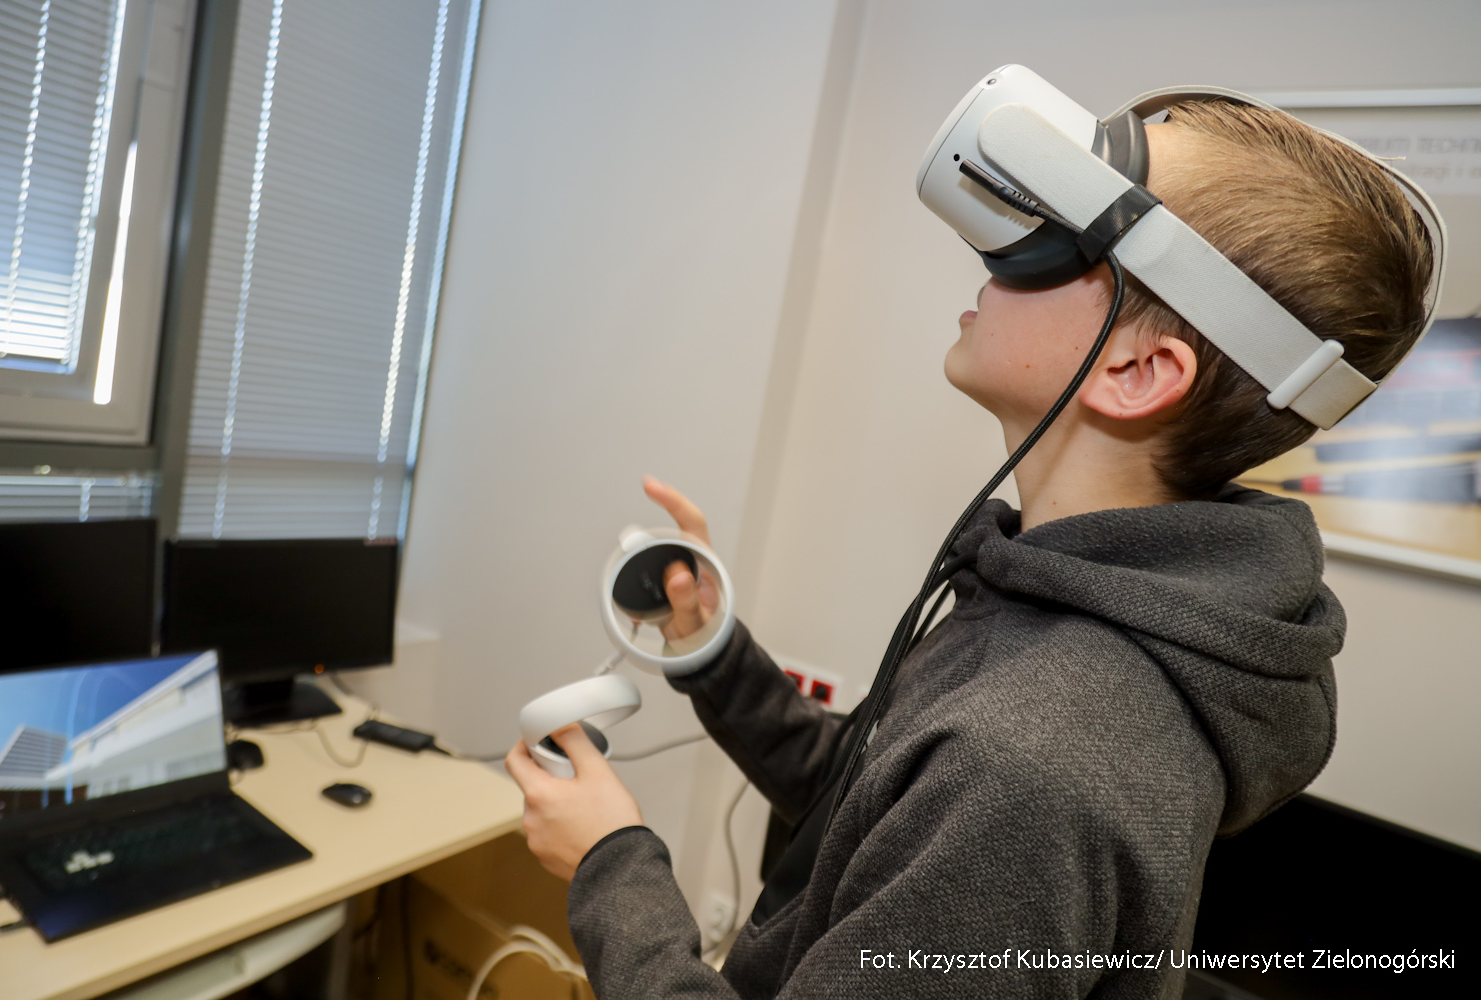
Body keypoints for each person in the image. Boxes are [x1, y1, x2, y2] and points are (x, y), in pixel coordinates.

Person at [504, 99, 1434, 998]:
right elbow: (866, 801)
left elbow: (964, 790)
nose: (994, 262)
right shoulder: (1054, 598)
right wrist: (713, 654)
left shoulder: (1031, 765)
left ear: (1137, 370)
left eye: (1061, 239)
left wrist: (609, 865)